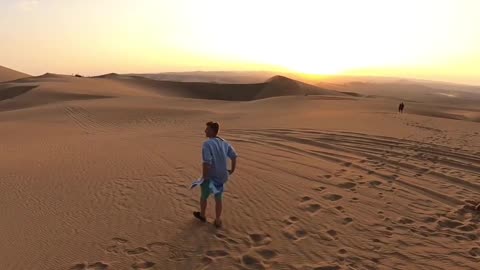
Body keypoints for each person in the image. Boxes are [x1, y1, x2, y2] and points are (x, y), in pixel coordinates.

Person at [193, 121, 238, 228]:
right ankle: (218, 220)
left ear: (212, 131)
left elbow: (206, 162)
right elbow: (234, 156)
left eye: (207, 129)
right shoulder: (224, 142)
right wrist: (232, 170)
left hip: (211, 176)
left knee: (204, 196)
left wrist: (204, 177)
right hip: (222, 176)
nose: (205, 131)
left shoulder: (207, 144)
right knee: (218, 198)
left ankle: (203, 215)